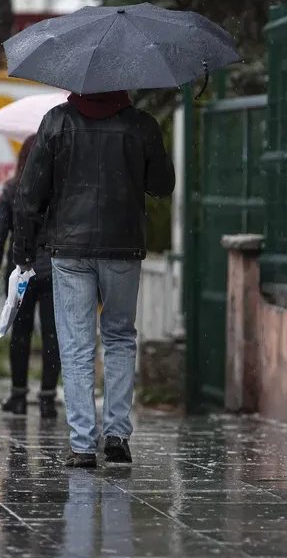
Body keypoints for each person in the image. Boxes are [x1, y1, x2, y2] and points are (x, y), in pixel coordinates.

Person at [14, 91, 174, 468]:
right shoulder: (142, 125)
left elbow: (29, 193)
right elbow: (162, 185)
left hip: (69, 248)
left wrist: (23, 250)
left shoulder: (57, 122)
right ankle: (117, 434)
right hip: (123, 246)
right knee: (119, 335)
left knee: (76, 343)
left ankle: (83, 443)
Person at [0, 135, 60, 418]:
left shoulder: (13, 189)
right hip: (54, 271)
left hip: (22, 271)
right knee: (52, 334)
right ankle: (47, 398)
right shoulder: (59, 191)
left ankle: (18, 396)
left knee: (20, 333)